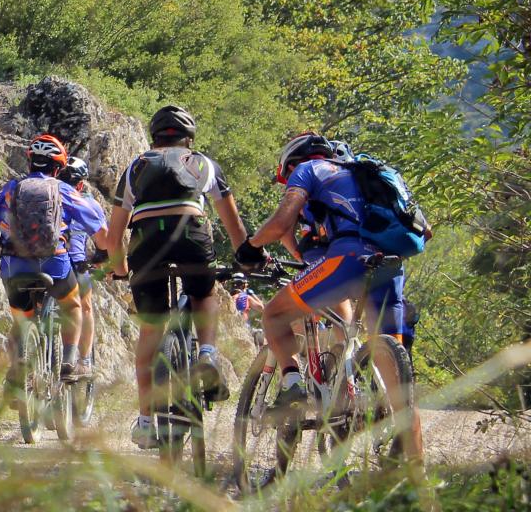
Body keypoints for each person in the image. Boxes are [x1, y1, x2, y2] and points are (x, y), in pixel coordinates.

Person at [235, 131, 421, 457]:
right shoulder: (358, 175)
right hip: (391, 263)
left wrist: (250, 248)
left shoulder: (310, 169)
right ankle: (417, 478)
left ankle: (292, 386)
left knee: (274, 315)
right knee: (397, 378)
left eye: (286, 176)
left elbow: (281, 223)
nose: (289, 181)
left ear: (293, 164)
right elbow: (300, 247)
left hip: (349, 258)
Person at [101, 105, 249, 449]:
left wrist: (121, 270)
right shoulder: (204, 164)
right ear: (190, 139)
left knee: (151, 329)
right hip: (191, 234)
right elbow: (233, 224)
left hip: (146, 242)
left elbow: (114, 234)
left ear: (154, 138)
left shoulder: (136, 166)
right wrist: (245, 254)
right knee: (203, 294)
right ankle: (208, 354)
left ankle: (144, 420)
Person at [0, 135, 104, 383]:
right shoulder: (63, 189)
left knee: (20, 317)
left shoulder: (12, 187)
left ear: (30, 162)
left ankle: (17, 375)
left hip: (14, 264)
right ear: (58, 167)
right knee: (72, 306)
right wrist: (104, 253)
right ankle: (69, 362)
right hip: (54, 262)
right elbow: (96, 222)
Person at [60, 156, 102, 380]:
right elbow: (103, 238)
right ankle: (84, 361)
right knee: (85, 308)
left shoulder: (48, 194)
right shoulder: (87, 203)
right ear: (80, 184)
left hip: (42, 261)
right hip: (75, 264)